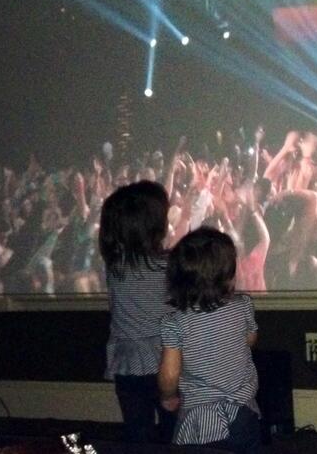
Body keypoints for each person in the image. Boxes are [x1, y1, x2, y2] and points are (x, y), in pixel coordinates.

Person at [158, 226, 261, 454]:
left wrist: (168, 396)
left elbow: (170, 374)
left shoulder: (174, 322)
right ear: (227, 275)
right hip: (244, 412)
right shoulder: (243, 305)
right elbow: (250, 339)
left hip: (201, 421)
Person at [99, 180, 175, 443]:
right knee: (176, 432)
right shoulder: (168, 265)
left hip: (129, 363)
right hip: (167, 361)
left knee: (137, 434)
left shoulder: (115, 265)